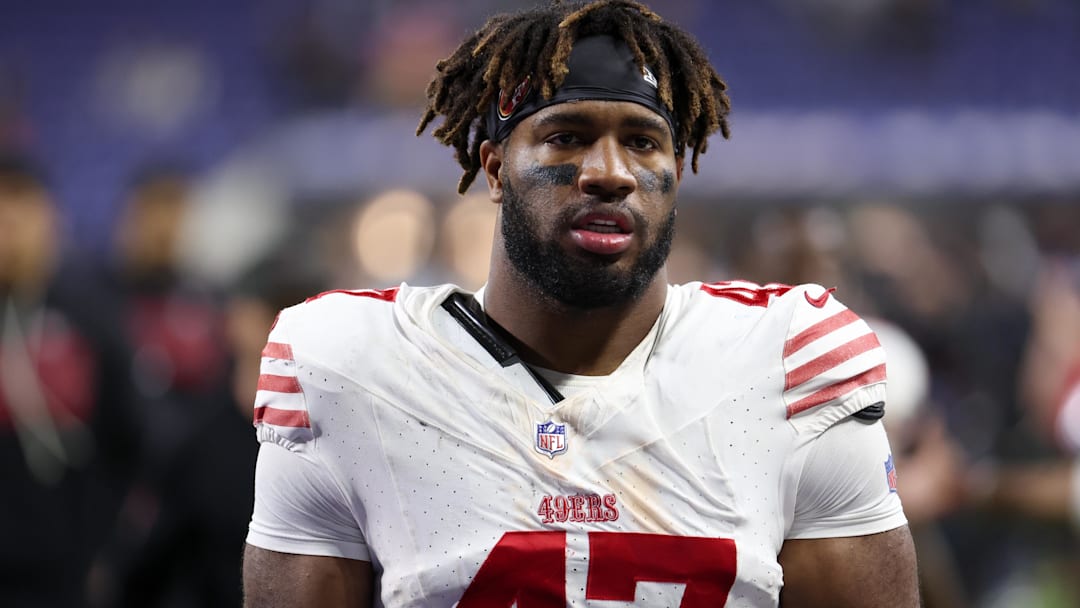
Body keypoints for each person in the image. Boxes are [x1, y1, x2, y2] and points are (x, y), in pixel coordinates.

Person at [242, 1, 919, 606]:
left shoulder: (792, 361)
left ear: (675, 175)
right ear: (496, 168)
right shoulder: (347, 368)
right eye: (567, 135)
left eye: (642, 141)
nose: (610, 173)